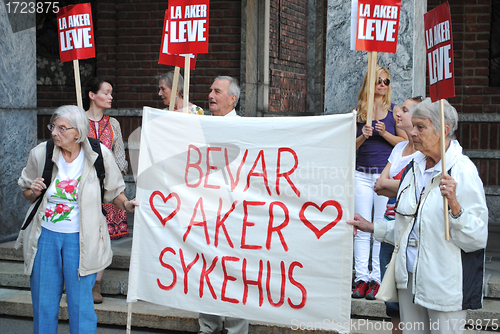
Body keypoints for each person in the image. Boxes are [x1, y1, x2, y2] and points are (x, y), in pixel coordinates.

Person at [348, 98, 488, 334]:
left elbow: (477, 237)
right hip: (409, 280)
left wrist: (454, 205)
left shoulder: (463, 171)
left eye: (420, 127)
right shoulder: (413, 167)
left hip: (444, 284)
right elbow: (409, 228)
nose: (412, 132)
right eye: (413, 126)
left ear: (442, 130)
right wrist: (372, 227)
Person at [17, 105, 139, 333]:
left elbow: (113, 193)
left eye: (62, 128)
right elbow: (27, 192)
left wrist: (127, 204)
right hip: (45, 237)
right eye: (53, 126)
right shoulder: (41, 153)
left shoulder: (99, 154)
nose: (55, 132)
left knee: (81, 303)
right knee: (44, 302)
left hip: (82, 238)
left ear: (78, 132)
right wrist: (32, 191)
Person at [198, 76, 248, 334]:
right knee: (206, 269)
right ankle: (208, 325)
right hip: (205, 210)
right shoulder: (200, 125)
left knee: (234, 271)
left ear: (232, 99)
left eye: (217, 91)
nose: (211, 95)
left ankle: (236, 328)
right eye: (210, 90)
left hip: (236, 213)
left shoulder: (245, 128)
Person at [352, 65, 407, 300]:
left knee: (378, 227)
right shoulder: (358, 113)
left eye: (386, 81)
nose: (383, 85)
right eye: (378, 80)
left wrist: (385, 133)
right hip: (360, 174)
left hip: (383, 177)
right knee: (361, 228)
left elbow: (405, 144)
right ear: (370, 83)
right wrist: (363, 135)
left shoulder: (394, 112)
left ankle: (376, 278)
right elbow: (347, 148)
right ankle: (361, 277)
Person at [373, 96, 424, 334]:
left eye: (405, 110)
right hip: (388, 226)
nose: (398, 113)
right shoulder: (398, 148)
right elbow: (378, 185)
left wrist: (392, 184)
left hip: (407, 230)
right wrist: (396, 184)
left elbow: (416, 189)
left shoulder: (422, 154)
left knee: (408, 296)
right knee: (391, 299)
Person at [85, 77, 128, 303]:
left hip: (107, 188)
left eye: (111, 92)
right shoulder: (77, 120)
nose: (111, 97)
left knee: (104, 238)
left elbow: (120, 155)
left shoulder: (114, 125)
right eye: (106, 92)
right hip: (82, 187)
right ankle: (77, 279)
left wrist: (116, 173)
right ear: (92, 95)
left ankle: (96, 285)